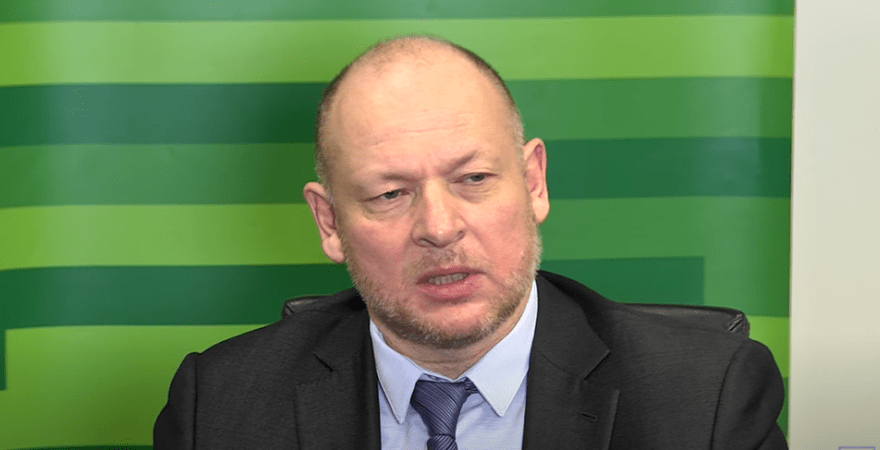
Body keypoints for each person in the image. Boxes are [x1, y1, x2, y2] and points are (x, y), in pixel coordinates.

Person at [154, 35, 787, 449]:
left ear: (534, 183)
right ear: (329, 223)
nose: (439, 227)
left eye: (474, 179)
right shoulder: (220, 408)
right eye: (390, 194)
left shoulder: (706, 399)